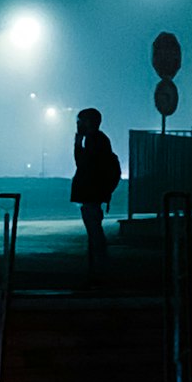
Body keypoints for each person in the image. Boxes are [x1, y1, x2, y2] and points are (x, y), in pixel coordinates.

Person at [70, 107, 114, 274]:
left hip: (92, 192)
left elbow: (82, 164)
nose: (78, 124)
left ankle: (100, 269)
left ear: (88, 122)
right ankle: (97, 268)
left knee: (94, 231)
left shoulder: (94, 139)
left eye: (81, 120)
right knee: (95, 231)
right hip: (95, 192)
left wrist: (77, 143)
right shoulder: (99, 139)